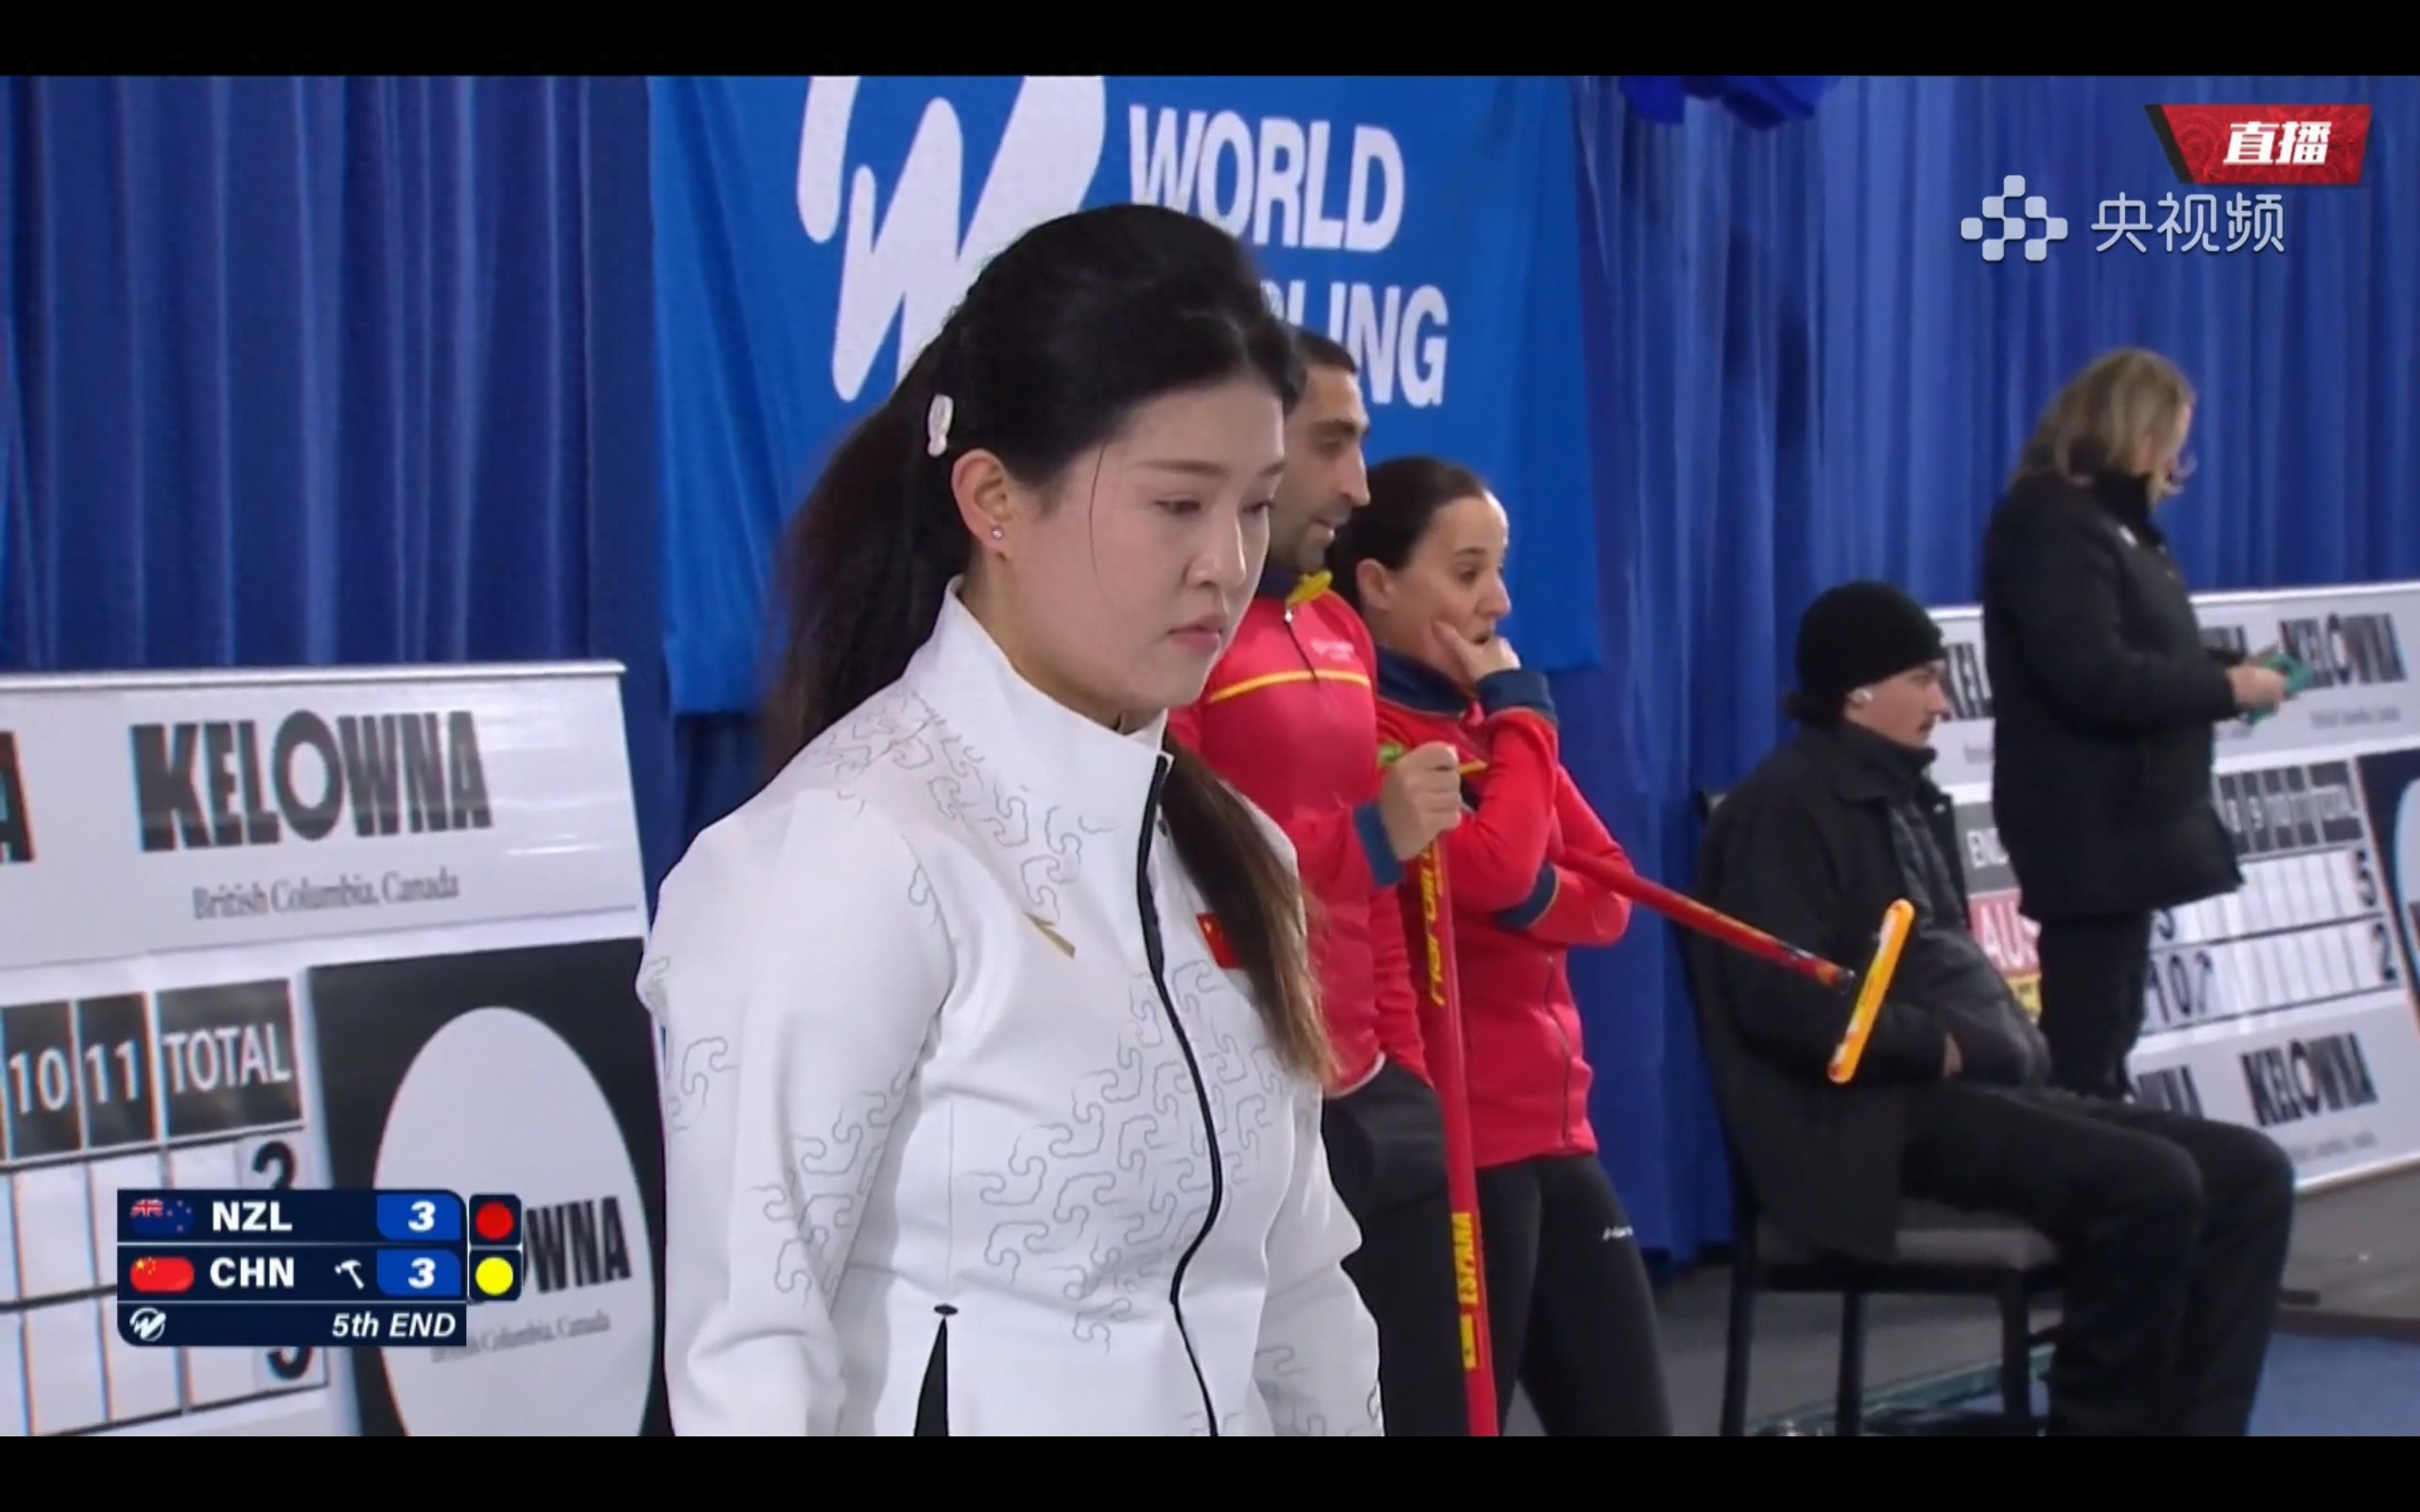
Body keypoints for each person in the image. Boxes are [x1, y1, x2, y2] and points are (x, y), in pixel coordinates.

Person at [637, 204, 1384, 1436]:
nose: (1224, 563)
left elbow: (1298, 1291)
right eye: (1176, 504)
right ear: (991, 498)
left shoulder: (1233, 850)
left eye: (1254, 506)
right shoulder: (848, 853)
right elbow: (749, 1357)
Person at [1690, 579, 2296, 1436]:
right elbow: (1787, 1009)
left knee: (2251, 1174)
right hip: (1864, 1126)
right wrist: (1944, 1045)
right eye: (1923, 680)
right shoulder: (1783, 811)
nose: (1942, 703)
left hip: (1974, 1095)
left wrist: (1984, 1046)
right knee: (2151, 1185)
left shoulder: (1906, 798)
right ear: (1856, 691)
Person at [1328, 455, 1676, 1436]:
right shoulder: (1371, 728)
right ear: (1378, 584)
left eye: (1500, 569)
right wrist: (1522, 724)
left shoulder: (1495, 728)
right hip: (1460, 1142)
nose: (1499, 601)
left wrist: (1523, 885)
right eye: (1467, 571)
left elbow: (1608, 894)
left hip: (1558, 1129)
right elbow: (1491, 875)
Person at [1168, 332, 1473, 1435]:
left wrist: (1406, 1065)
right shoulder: (1181, 638)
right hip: (1251, 1092)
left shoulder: (1338, 623)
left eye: (1361, 444)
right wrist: (1368, 838)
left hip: (1368, 1082)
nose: (1357, 484)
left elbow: (1378, 902)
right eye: (1330, 444)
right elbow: (1182, 865)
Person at [1980, 349, 2291, 1099]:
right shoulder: (2054, 525)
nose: (2176, 463)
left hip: (2132, 824)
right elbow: (2092, 674)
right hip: (2088, 822)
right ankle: (2079, 1161)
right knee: (2087, 1036)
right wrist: (2224, 686)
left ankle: (2104, 1146)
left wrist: (2223, 670)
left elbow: (2138, 649)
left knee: (2112, 1023)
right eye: (2172, 440)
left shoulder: (2116, 527)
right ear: (2137, 433)